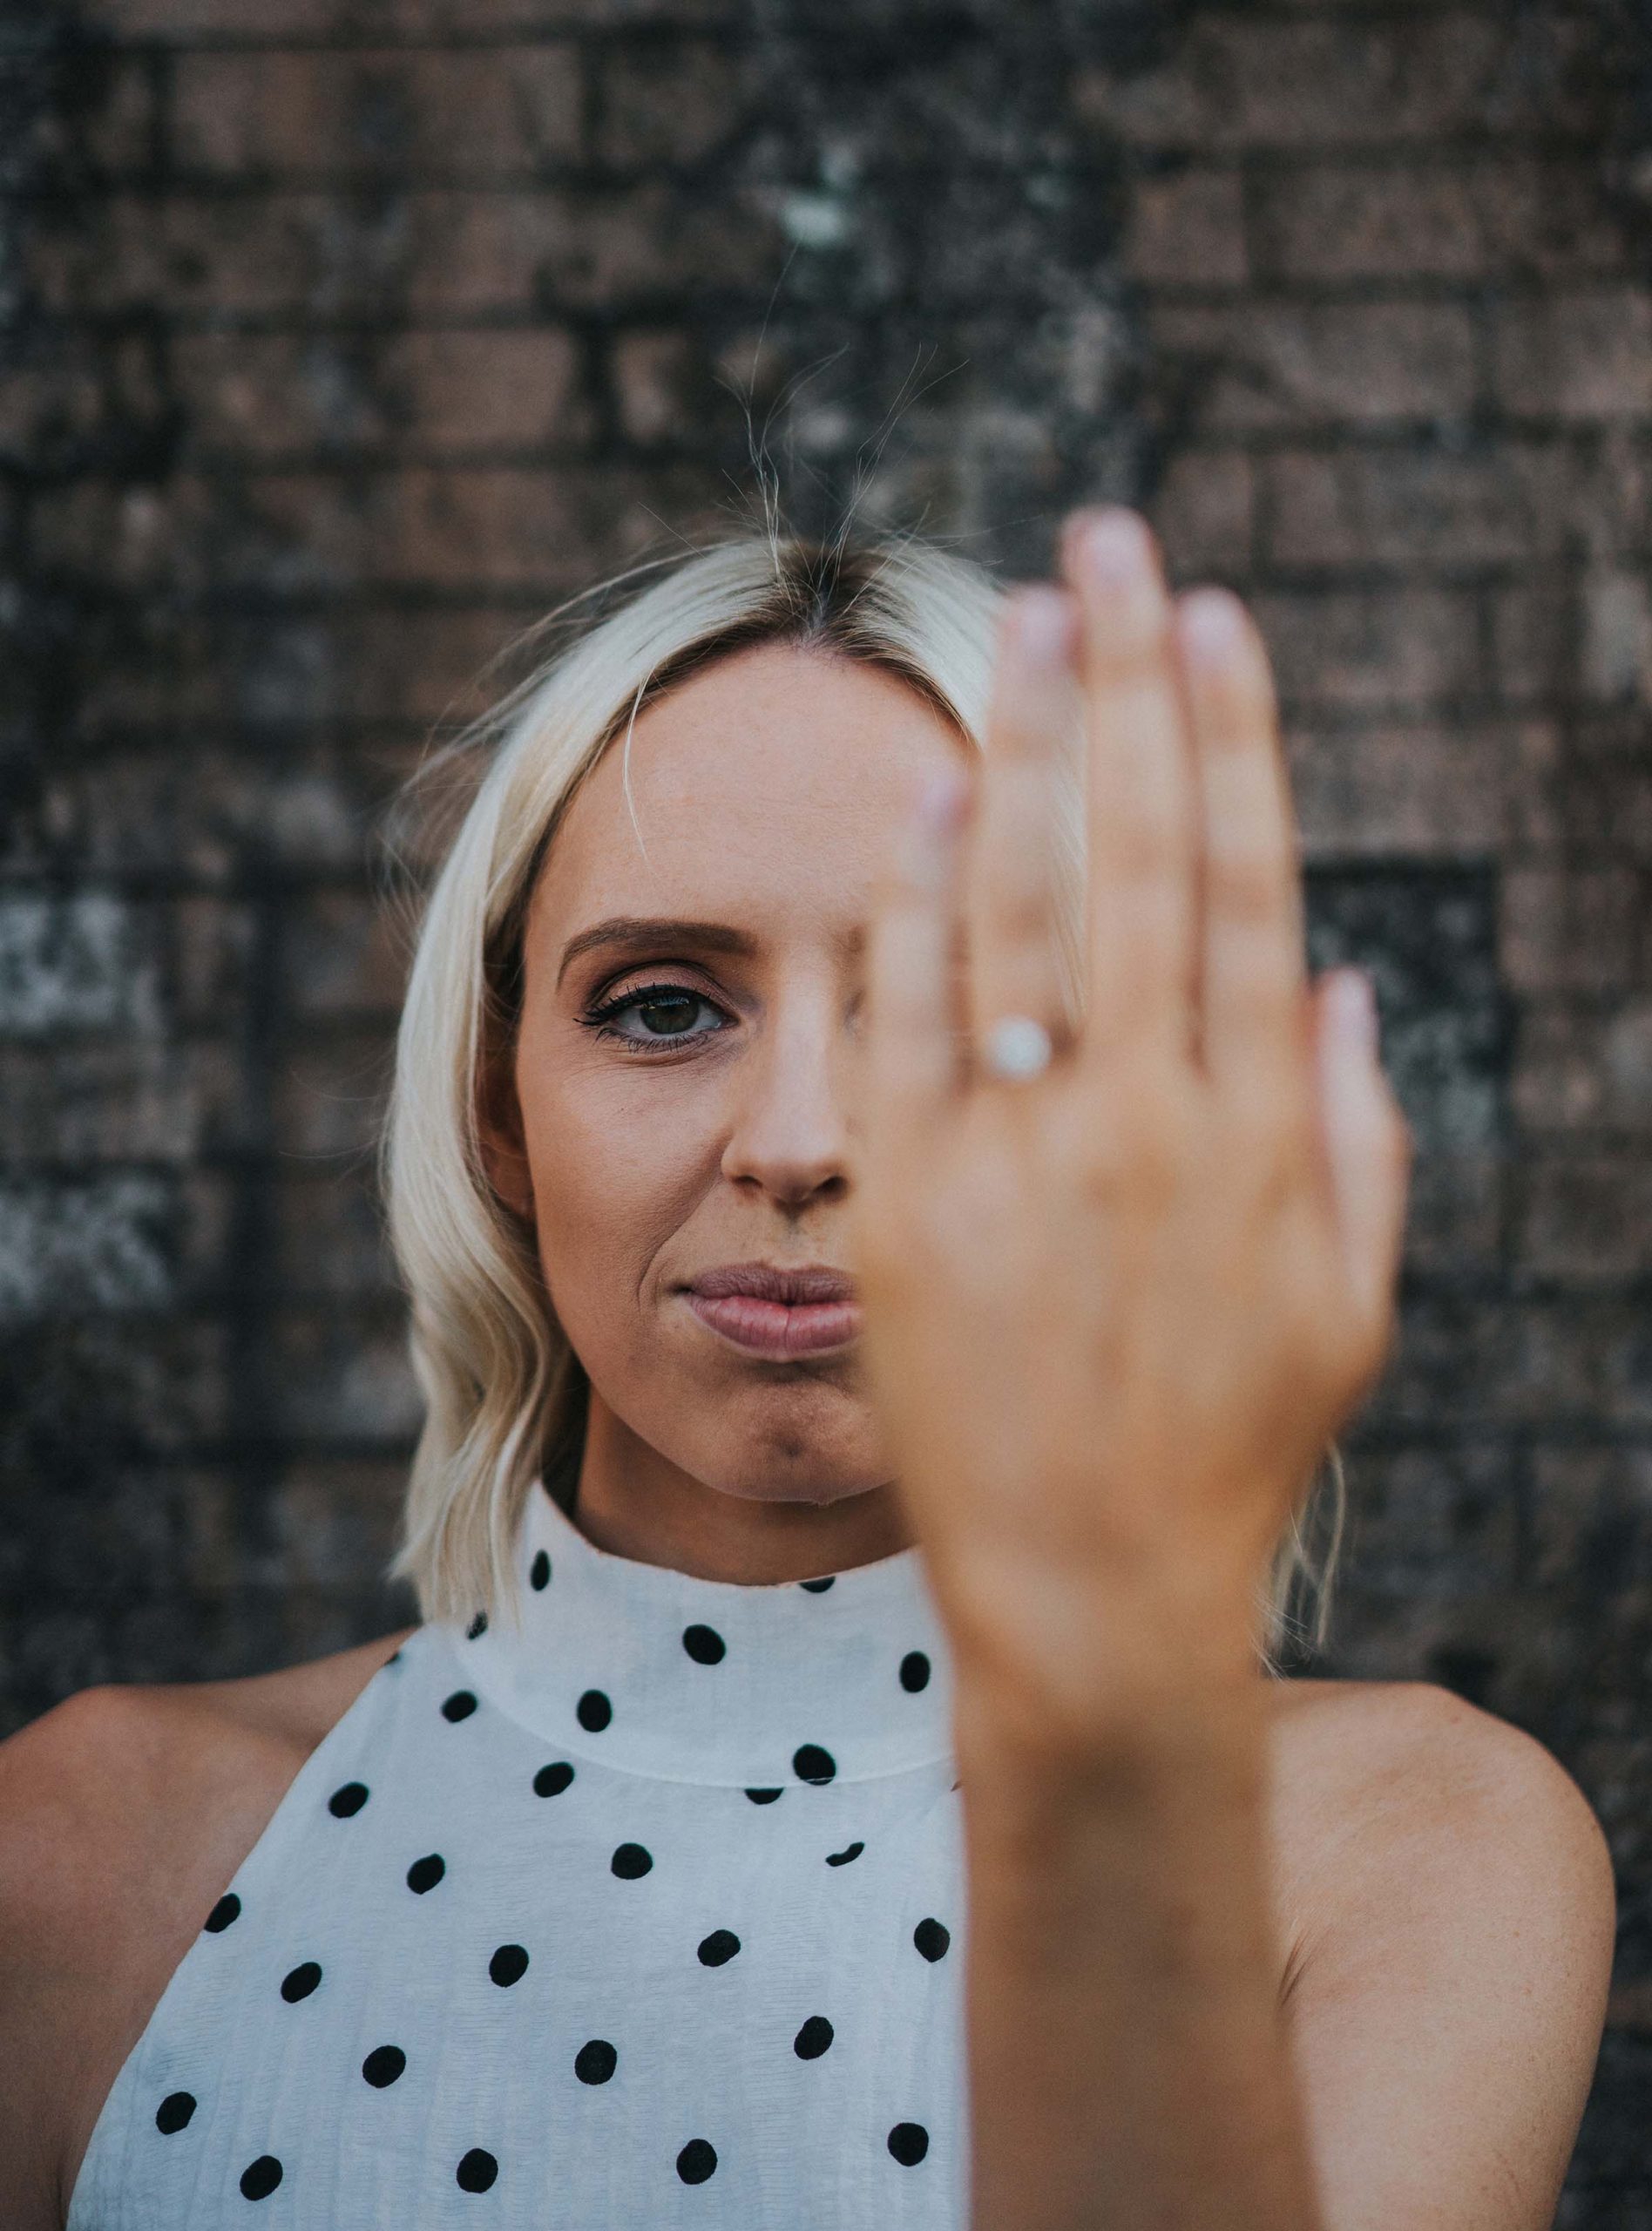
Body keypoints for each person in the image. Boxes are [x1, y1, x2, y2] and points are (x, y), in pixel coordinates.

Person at [0, 507, 1615, 2231]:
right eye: (665, 1004)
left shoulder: (1409, 1853)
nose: (797, 1142)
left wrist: (1104, 1714)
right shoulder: (83, 1851)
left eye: (958, 1015)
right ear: (496, 1107)